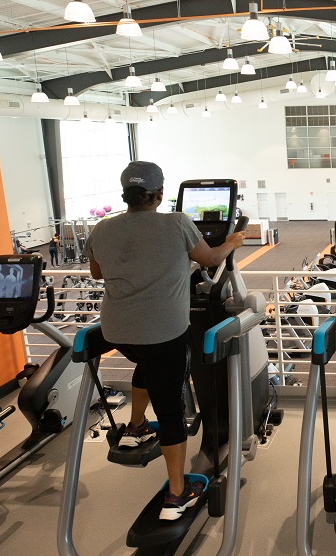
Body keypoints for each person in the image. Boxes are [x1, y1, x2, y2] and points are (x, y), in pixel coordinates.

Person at [84, 161, 244, 521]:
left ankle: (137, 428)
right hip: (162, 333)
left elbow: (99, 272)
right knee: (170, 407)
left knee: (147, 365)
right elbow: (211, 258)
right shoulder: (177, 223)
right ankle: (176, 495)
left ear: (126, 194)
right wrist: (234, 239)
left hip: (118, 332)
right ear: (159, 194)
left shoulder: (102, 229)